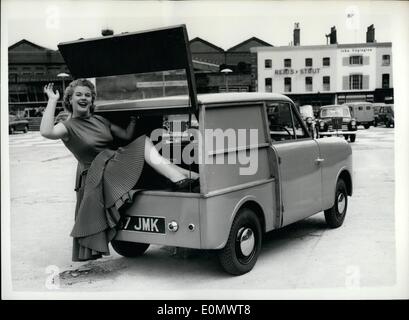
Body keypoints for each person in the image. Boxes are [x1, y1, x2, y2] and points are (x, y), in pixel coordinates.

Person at [40, 79, 198, 261]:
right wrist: (52, 100)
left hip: (113, 162)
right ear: (70, 100)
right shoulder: (67, 127)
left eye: (88, 95)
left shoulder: (99, 119)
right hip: (97, 174)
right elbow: (46, 132)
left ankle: (184, 176)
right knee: (145, 143)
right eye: (79, 95)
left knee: (144, 143)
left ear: (92, 100)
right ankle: (181, 176)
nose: (84, 98)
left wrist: (133, 118)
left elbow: (125, 136)